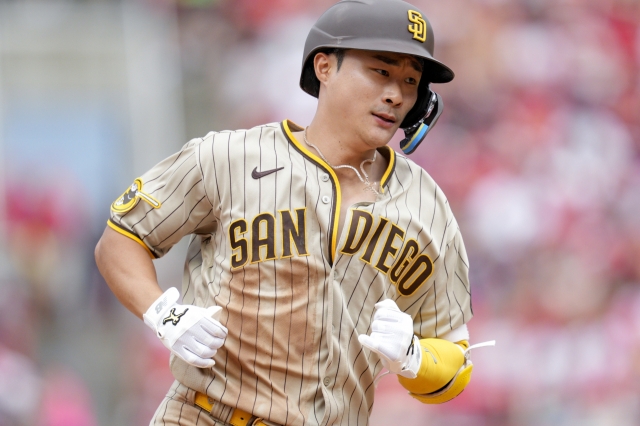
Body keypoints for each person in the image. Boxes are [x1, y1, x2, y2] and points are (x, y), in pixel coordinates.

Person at [95, 1, 479, 425]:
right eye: (381, 71)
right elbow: (121, 239)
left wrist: (415, 356)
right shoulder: (230, 157)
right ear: (325, 67)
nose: (396, 94)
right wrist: (165, 315)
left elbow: (455, 364)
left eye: (411, 81)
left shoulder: (429, 205)